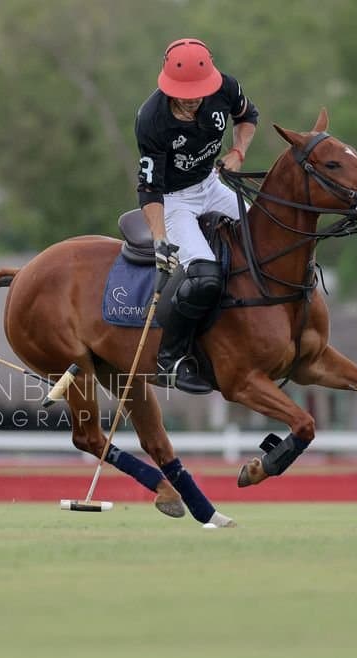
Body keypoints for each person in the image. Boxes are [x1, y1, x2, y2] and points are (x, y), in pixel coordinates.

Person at [135, 38, 259, 394]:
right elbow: (149, 188)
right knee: (204, 276)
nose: (192, 99)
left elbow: (248, 116)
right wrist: (160, 238)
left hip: (212, 183)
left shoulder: (226, 88)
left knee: (261, 240)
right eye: (183, 93)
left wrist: (238, 150)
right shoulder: (151, 120)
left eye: (197, 91)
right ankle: (169, 358)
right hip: (174, 200)